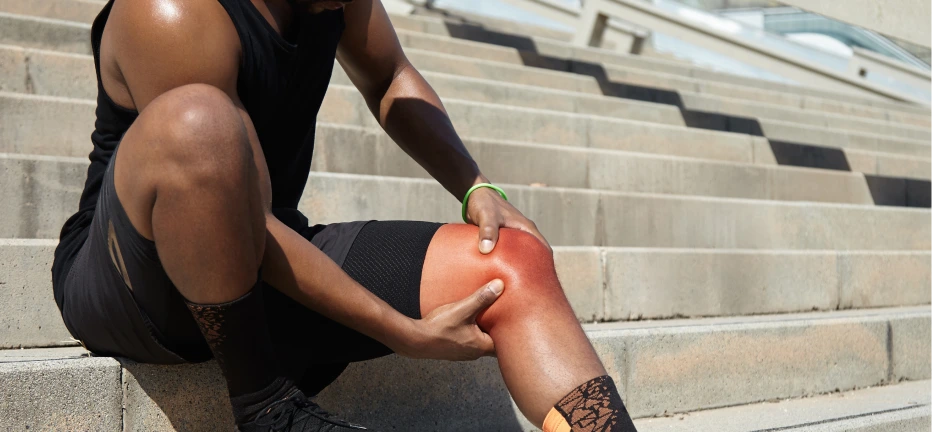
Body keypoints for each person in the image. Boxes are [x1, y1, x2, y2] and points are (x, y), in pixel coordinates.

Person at [50, 0, 639, 430]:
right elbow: (239, 216)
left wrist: (474, 185)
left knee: (513, 262)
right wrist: (400, 330)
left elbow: (388, 74)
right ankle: (267, 408)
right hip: (136, 281)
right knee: (198, 124)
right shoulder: (171, 13)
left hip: (268, 252)